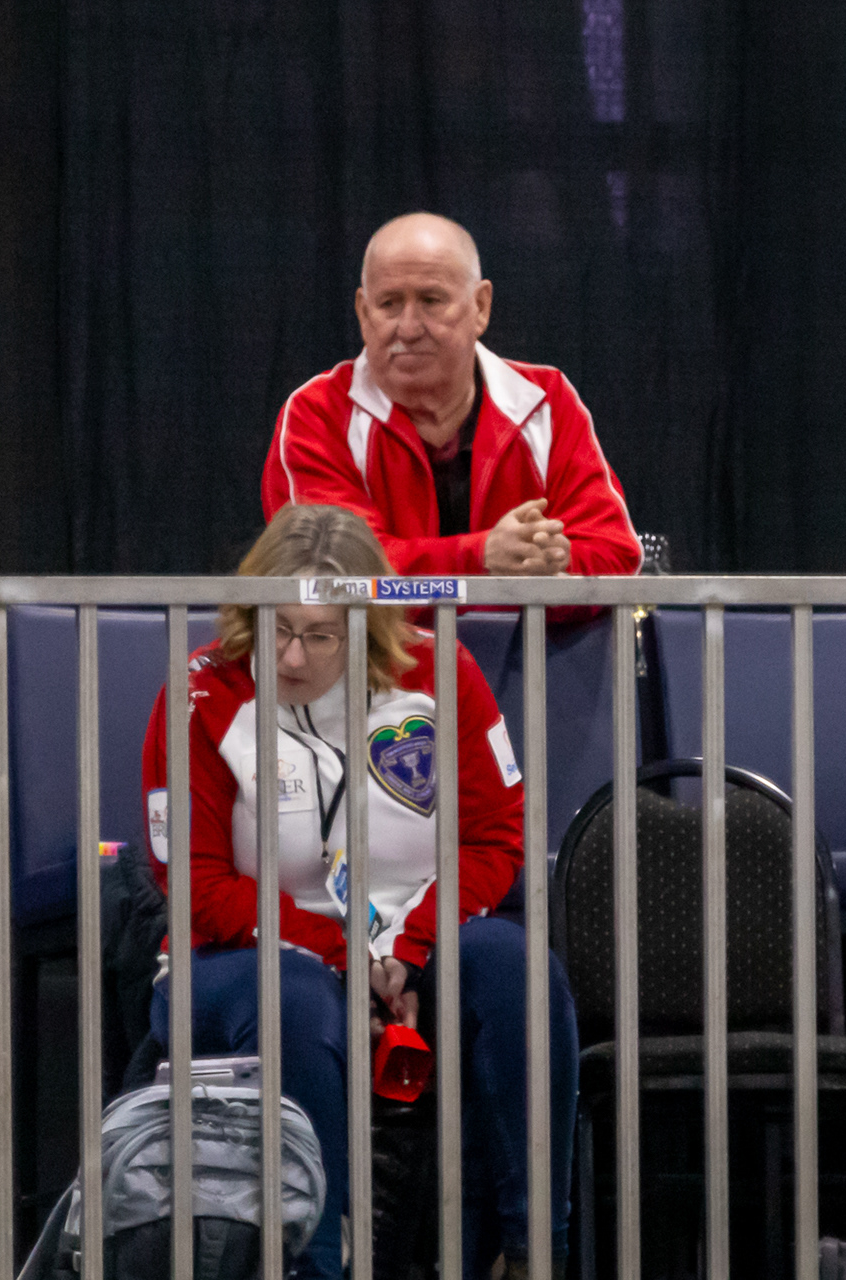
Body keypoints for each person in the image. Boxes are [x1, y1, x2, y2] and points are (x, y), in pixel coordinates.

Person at [140, 504, 578, 1280]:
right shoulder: (200, 692)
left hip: (414, 937)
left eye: (319, 636)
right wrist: (345, 956)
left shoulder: (442, 671)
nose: (291, 655)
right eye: (276, 628)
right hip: (244, 954)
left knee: (518, 971)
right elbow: (196, 885)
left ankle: (532, 1251)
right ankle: (318, 1267)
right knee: (297, 1001)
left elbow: (494, 839)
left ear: (367, 626)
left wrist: (409, 948)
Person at [262, 212, 642, 578]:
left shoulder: (545, 402)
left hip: (524, 630)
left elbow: (615, 553)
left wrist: (546, 561)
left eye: (431, 301)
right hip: (376, 631)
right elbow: (331, 571)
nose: (408, 329)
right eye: (389, 304)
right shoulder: (318, 413)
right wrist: (480, 558)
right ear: (363, 313)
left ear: (481, 307)